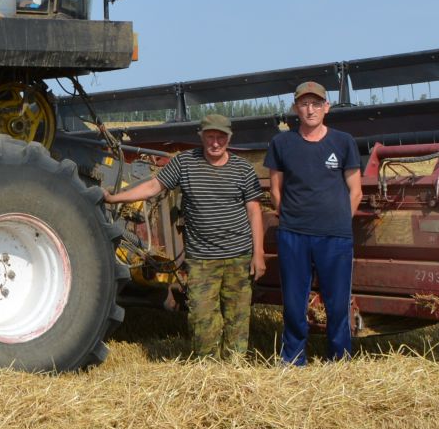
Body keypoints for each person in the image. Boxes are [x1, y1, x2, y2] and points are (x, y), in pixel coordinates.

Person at [105, 113, 265, 359]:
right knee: (202, 315)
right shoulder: (185, 163)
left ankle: (235, 365)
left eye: (220, 137)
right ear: (201, 137)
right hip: (201, 259)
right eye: (210, 136)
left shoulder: (242, 169)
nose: (215, 143)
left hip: (238, 255)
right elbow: (153, 187)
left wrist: (258, 254)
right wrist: (116, 198)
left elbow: (254, 211)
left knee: (237, 315)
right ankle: (207, 365)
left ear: (229, 138)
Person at [264, 81, 362, 364]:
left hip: (335, 236)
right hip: (294, 234)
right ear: (296, 108)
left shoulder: (343, 142)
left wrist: (341, 219)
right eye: (304, 104)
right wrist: (293, 217)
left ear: (326, 108)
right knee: (294, 302)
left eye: (316, 104)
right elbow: (275, 190)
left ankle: (339, 358)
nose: (310, 109)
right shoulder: (281, 143)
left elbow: (355, 191)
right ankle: (293, 358)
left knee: (337, 301)